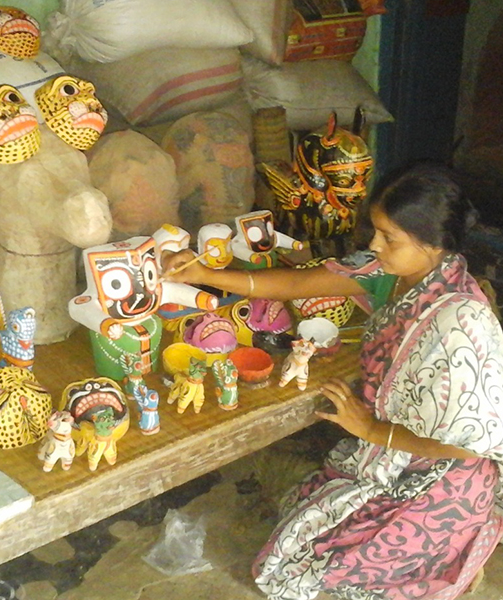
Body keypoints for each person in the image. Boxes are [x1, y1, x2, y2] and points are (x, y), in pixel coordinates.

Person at [163, 162, 503, 600]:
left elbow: (468, 443)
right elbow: (297, 282)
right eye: (375, 231)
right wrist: (204, 276)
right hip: (389, 453)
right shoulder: (390, 272)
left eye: (389, 237)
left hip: (442, 476)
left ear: (435, 243)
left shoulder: (460, 323)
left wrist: (371, 429)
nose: (374, 245)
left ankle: (453, 549)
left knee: (293, 568)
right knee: (297, 532)